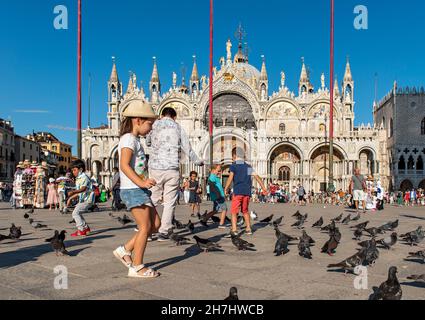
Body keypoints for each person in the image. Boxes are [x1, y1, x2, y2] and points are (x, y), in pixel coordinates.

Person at [112, 99, 161, 278]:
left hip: (139, 189)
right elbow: (124, 165)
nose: (151, 127)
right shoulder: (128, 139)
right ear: (138, 120)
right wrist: (141, 183)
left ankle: (124, 250)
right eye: (150, 123)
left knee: (156, 225)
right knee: (144, 226)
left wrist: (144, 181)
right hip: (132, 189)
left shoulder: (135, 140)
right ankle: (137, 266)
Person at [146, 107, 203, 242]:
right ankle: (164, 231)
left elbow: (147, 142)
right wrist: (198, 162)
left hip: (155, 168)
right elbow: (187, 149)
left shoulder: (154, 126)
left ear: (162, 114)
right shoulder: (178, 128)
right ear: (174, 117)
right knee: (169, 201)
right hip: (171, 168)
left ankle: (146, 230)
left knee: (152, 199)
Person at [225, 147, 267, 236]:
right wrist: (263, 188)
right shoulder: (248, 166)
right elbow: (257, 177)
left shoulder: (234, 165)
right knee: (245, 211)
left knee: (234, 211)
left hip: (238, 191)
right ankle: (248, 228)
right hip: (247, 193)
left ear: (234, 156)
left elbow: (230, 177)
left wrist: (226, 188)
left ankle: (234, 229)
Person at [67, 159, 94, 237]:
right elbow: (80, 192)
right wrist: (71, 198)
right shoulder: (78, 179)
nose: (73, 172)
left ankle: (81, 229)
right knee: (78, 213)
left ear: (81, 169)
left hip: (88, 199)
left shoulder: (84, 177)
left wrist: (73, 192)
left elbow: (83, 189)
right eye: (72, 170)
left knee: (75, 213)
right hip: (83, 199)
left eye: (75, 170)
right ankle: (86, 228)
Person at [201, 164, 229, 230]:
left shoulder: (215, 176)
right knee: (224, 209)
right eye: (218, 170)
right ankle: (221, 224)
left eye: (220, 170)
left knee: (215, 210)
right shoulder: (212, 177)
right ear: (213, 170)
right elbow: (212, 186)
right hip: (218, 197)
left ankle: (204, 220)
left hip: (218, 196)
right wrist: (218, 195)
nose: (220, 172)